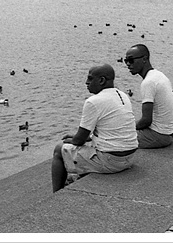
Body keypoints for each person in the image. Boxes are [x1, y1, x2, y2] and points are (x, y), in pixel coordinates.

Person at [51, 64, 138, 192]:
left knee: (59, 149)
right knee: (89, 145)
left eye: (90, 78)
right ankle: (78, 176)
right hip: (130, 157)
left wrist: (73, 140)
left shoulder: (93, 101)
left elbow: (79, 140)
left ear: (101, 80)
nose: (86, 82)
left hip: (111, 161)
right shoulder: (123, 96)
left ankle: (57, 193)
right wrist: (84, 138)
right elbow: (109, 131)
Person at [123, 44, 173, 149]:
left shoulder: (148, 82)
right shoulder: (159, 75)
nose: (128, 64)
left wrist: (128, 128)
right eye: (126, 61)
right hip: (169, 133)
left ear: (144, 59)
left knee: (114, 137)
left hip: (158, 136)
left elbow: (146, 120)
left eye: (131, 60)